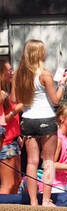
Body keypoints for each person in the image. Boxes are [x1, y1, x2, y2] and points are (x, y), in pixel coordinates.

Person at [14, 40, 65, 206]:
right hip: (46, 118)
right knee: (48, 160)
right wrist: (63, 85)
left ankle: (33, 201)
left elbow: (15, 100)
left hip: (28, 119)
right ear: (39, 54)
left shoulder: (18, 75)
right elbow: (56, 100)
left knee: (31, 162)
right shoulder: (45, 74)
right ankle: (46, 199)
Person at [0, 58, 21, 194]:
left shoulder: (5, 92)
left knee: (16, 182)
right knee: (8, 184)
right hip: (6, 143)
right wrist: (16, 110)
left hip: (13, 141)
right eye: (9, 70)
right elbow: (2, 120)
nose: (12, 73)